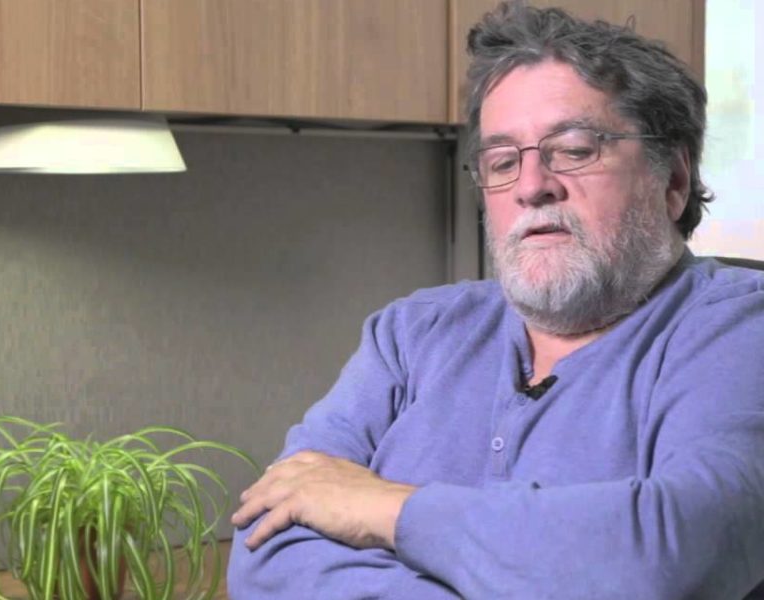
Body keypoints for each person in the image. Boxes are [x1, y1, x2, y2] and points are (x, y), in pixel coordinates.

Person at [227, 2, 764, 598]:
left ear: (674, 182)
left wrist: (385, 509)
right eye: (503, 161)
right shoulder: (411, 334)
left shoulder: (738, 331)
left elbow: (677, 553)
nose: (533, 186)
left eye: (576, 149)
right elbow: (265, 543)